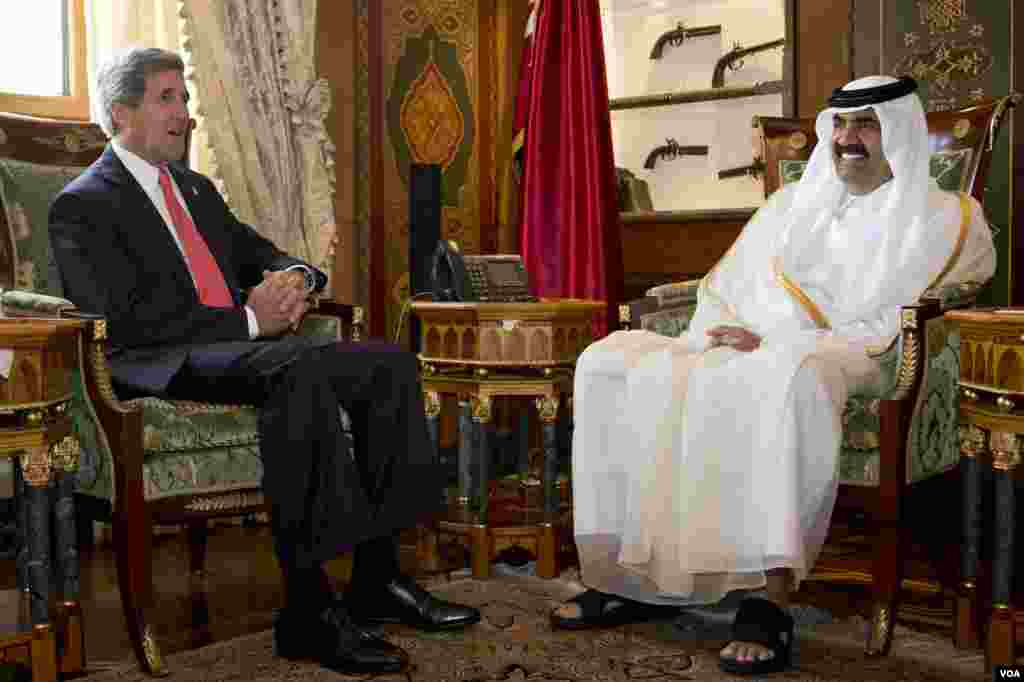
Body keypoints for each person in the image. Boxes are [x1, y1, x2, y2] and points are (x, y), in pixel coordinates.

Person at [48, 47, 480, 676]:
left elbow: (262, 254)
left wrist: (295, 279)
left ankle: (379, 578)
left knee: (388, 364)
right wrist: (252, 320)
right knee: (297, 367)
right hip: (157, 360)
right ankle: (308, 610)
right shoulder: (83, 205)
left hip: (235, 349)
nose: (185, 114)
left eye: (186, 99)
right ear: (122, 113)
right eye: (168, 99)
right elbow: (124, 325)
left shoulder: (193, 189)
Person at [550, 75, 996, 675]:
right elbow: (728, 286)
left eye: (865, 123)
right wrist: (725, 333)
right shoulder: (790, 204)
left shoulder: (942, 217)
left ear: (898, 131)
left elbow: (890, 318)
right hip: (752, 341)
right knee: (608, 363)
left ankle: (768, 601)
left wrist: (776, 340)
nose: (847, 138)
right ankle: (626, 578)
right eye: (838, 124)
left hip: (853, 354)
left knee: (788, 377)